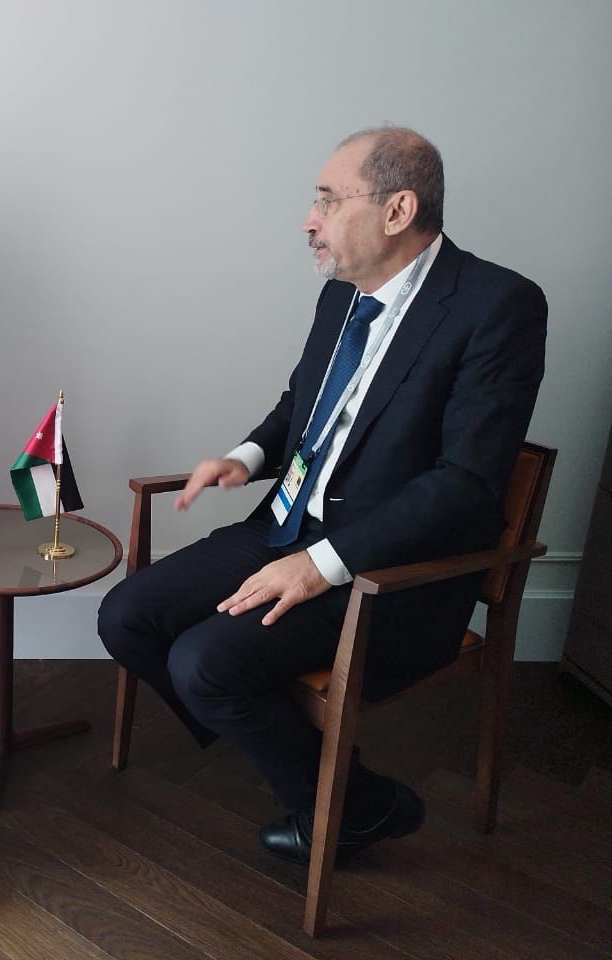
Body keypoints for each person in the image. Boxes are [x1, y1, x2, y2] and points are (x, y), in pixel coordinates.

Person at [98, 127, 546, 864]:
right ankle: (348, 794)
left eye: (329, 201)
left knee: (203, 663)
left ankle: (317, 787)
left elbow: (465, 487)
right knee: (125, 617)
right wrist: (246, 457)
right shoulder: (341, 296)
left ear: (398, 210)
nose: (310, 220)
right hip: (285, 526)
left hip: (389, 572)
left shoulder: (499, 305)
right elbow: (302, 408)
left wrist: (320, 564)